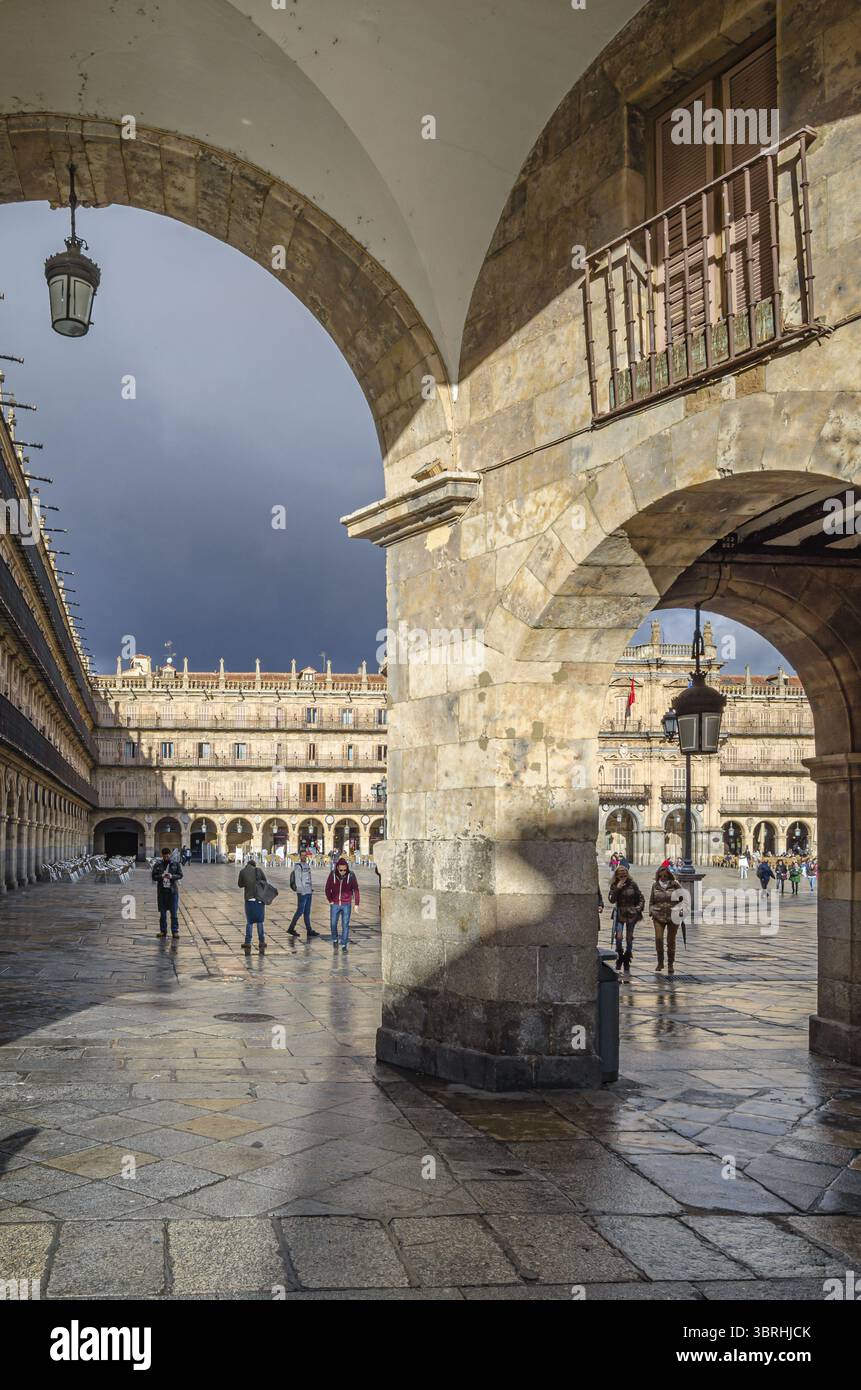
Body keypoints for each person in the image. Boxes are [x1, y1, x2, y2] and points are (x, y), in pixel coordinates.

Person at [607, 864, 645, 973]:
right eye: (620, 875)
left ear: (627, 875)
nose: (623, 877)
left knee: (629, 938)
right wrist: (617, 888)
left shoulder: (633, 884)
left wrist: (639, 908)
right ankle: (619, 956)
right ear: (617, 876)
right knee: (618, 937)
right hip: (620, 913)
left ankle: (627, 958)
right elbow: (612, 900)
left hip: (632, 913)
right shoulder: (614, 885)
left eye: (624, 875)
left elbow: (640, 898)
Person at [649, 860, 682, 975]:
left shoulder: (675, 885)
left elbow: (683, 899)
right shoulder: (655, 885)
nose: (662, 877)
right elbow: (651, 900)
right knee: (658, 939)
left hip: (673, 916)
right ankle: (660, 962)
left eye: (665, 875)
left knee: (671, 941)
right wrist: (651, 911)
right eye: (660, 875)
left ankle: (670, 964)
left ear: (668, 875)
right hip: (658, 916)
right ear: (658, 875)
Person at [325, 855, 361, 952]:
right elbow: (327, 888)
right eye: (341, 870)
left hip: (346, 904)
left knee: (345, 924)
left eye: (344, 870)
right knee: (333, 924)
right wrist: (330, 900)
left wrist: (356, 904)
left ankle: (344, 944)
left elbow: (356, 889)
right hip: (335, 904)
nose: (343, 872)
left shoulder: (351, 875)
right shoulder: (332, 875)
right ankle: (335, 938)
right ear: (337, 868)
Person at [238, 853, 269, 953]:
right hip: (259, 899)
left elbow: (240, 884)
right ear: (254, 865)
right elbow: (265, 881)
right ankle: (261, 941)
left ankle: (248, 942)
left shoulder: (242, 871)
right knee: (260, 921)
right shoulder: (258, 870)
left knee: (249, 921)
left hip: (249, 899)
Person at [287, 848, 320, 941]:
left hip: (309, 891)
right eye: (302, 855)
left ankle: (309, 930)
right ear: (299, 856)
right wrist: (301, 891)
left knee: (307, 912)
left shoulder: (307, 865)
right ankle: (291, 928)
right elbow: (298, 880)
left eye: (305, 855)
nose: (304, 857)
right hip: (302, 892)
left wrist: (310, 889)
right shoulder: (298, 866)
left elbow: (308, 878)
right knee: (300, 911)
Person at [152, 846, 182, 938]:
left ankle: (175, 931)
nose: (166, 858)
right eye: (164, 856)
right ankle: (163, 931)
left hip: (172, 891)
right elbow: (153, 877)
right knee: (163, 913)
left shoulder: (175, 864)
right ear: (162, 855)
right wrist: (161, 876)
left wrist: (172, 876)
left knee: (174, 913)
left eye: (167, 856)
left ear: (170, 855)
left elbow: (180, 875)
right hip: (162, 891)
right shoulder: (158, 864)